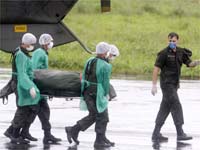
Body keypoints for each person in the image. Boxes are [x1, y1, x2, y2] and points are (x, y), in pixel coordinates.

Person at [151, 32, 200, 142]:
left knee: (165, 107)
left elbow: (189, 63)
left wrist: (197, 62)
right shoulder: (163, 53)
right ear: (167, 40)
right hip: (166, 84)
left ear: (178, 41)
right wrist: (154, 85)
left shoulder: (181, 52)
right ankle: (180, 133)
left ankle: (156, 133)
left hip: (174, 85)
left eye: (174, 41)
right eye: (170, 41)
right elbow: (156, 69)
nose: (172, 43)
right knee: (176, 105)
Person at [65, 42, 115, 148]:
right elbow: (105, 83)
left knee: (97, 116)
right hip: (98, 93)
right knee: (101, 116)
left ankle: (99, 139)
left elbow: (83, 76)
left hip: (87, 91)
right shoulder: (106, 66)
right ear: (105, 52)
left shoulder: (89, 61)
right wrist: (106, 95)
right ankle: (75, 130)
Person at [21, 33, 61, 144]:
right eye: (49, 42)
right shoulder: (40, 53)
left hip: (41, 86)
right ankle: (27, 132)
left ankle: (45, 134)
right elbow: (34, 71)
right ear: (45, 43)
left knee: (41, 111)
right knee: (37, 111)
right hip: (38, 87)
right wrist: (35, 87)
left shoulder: (43, 53)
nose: (51, 44)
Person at [4, 33, 40, 144]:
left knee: (30, 108)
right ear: (26, 43)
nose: (32, 46)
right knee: (23, 108)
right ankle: (14, 134)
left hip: (25, 82)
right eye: (31, 44)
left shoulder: (23, 52)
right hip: (22, 83)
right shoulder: (20, 55)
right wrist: (29, 87)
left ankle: (16, 132)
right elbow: (22, 74)